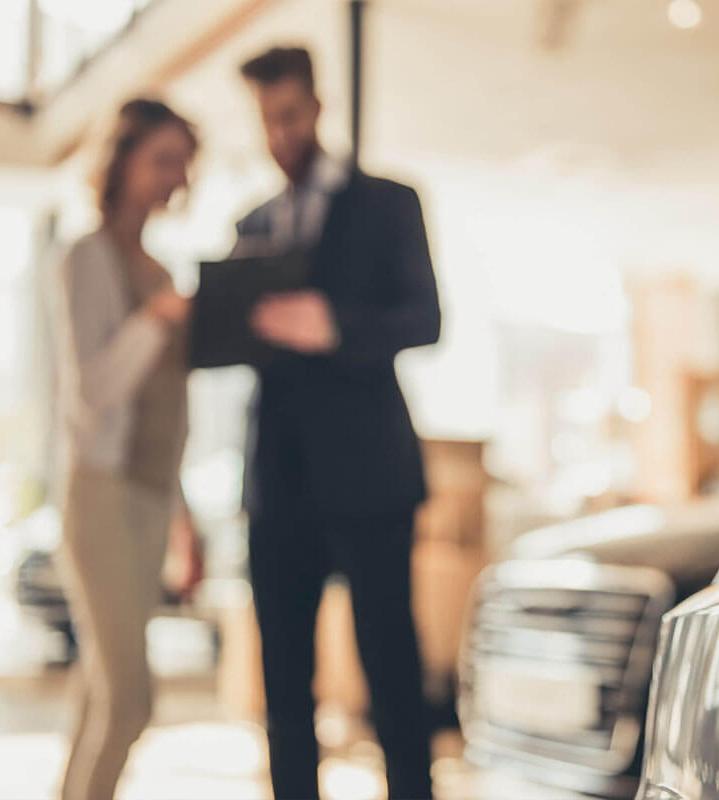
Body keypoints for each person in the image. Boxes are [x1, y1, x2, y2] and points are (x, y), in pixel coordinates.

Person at [233, 46, 441, 800]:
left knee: (391, 675)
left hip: (372, 482)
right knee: (285, 690)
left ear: (316, 108)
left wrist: (335, 325)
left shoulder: (390, 202)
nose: (280, 134)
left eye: (289, 115)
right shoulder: (250, 222)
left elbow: (425, 318)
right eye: (266, 121)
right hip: (277, 488)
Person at [52, 98, 196, 800]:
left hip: (149, 494)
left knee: (98, 696)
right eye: (161, 161)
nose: (174, 177)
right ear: (123, 162)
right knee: (131, 702)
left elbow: (166, 412)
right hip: (101, 492)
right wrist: (155, 320)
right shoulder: (88, 256)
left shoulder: (160, 271)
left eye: (182, 164)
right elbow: (94, 389)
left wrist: (183, 517)